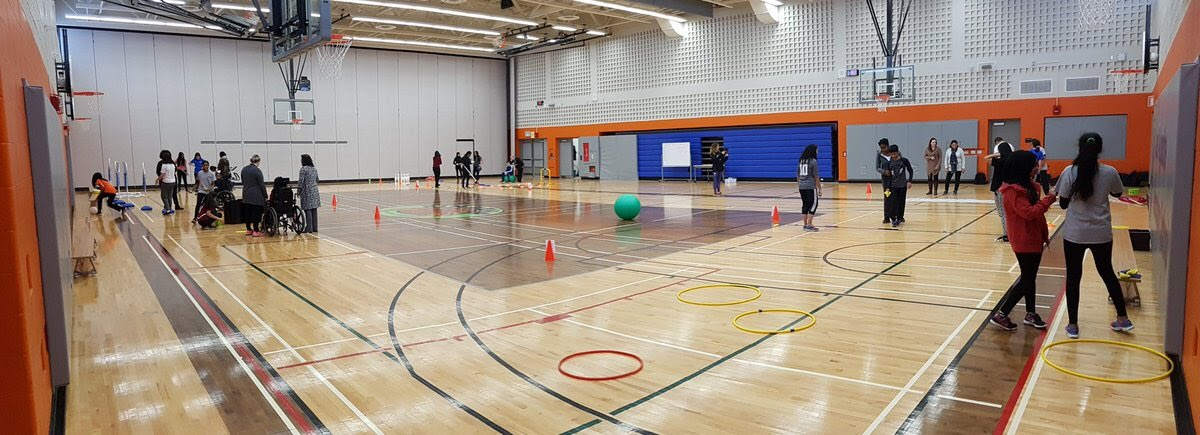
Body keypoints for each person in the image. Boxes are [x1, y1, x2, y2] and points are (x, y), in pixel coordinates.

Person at [1055, 133, 1131, 339]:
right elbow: (1117, 193)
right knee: (1107, 273)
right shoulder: (1110, 172)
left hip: (1075, 234)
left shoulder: (1069, 171)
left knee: (1073, 277)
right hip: (1101, 233)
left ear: (1079, 147)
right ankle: (1123, 318)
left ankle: (1072, 325)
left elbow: (1063, 204)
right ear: (1100, 149)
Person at [989, 150, 1056, 331]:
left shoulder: (1029, 186)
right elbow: (1029, 213)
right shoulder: (1012, 191)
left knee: (1030, 277)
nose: (1036, 168)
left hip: (1034, 237)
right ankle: (1002, 314)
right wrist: (1049, 199)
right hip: (1024, 239)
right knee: (1027, 278)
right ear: (1023, 167)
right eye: (1033, 165)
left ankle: (1030, 313)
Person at [987, 141, 1014, 242]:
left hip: (1000, 189)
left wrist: (996, 154)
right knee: (1007, 212)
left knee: (1002, 213)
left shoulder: (1000, 161)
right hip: (1009, 189)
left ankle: (1007, 234)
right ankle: (1010, 232)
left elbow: (987, 158)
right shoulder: (1012, 161)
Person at [884, 145, 914, 228]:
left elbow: (910, 170)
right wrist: (887, 187)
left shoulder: (904, 160)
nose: (893, 156)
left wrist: (910, 181)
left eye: (894, 154)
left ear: (897, 152)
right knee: (893, 203)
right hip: (893, 186)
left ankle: (899, 218)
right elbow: (888, 176)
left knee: (901, 203)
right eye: (891, 154)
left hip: (902, 186)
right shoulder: (888, 163)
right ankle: (893, 218)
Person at [796, 144, 822, 232]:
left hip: (801, 186)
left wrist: (800, 184)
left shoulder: (801, 161)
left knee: (805, 205)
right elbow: (816, 176)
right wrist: (819, 188)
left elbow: (798, 175)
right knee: (814, 204)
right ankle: (809, 224)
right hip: (810, 186)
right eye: (817, 150)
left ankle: (805, 224)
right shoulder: (813, 161)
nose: (817, 152)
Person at [240, 155, 267, 237]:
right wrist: (265, 195)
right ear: (258, 161)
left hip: (246, 194)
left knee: (247, 213)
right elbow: (261, 185)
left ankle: (248, 229)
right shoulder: (257, 171)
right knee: (256, 213)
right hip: (256, 195)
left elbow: (243, 182)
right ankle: (256, 230)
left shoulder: (244, 169)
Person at [298, 154, 320, 233]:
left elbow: (301, 181)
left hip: (307, 191)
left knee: (308, 209)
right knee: (314, 209)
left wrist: (298, 191)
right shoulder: (314, 169)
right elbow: (317, 180)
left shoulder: (303, 169)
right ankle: (315, 228)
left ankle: (309, 228)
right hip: (315, 191)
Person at [155, 150, 178, 215]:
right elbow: (174, 172)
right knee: (169, 196)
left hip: (166, 182)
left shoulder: (164, 165)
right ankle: (169, 208)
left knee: (164, 196)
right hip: (173, 182)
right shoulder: (173, 164)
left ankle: (167, 209)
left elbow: (162, 174)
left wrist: (157, 179)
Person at [875, 138, 892, 224]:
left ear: (888, 146)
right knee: (887, 196)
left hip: (895, 179)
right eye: (881, 148)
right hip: (886, 180)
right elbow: (877, 167)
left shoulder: (894, 152)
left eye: (884, 147)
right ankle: (886, 217)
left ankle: (898, 216)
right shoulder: (879, 154)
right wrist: (884, 171)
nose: (883, 149)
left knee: (895, 197)